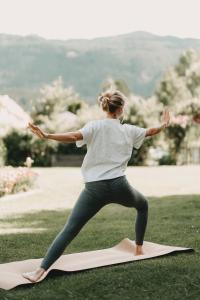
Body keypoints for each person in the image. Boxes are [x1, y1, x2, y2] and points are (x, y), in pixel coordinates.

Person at [22, 90, 170, 282]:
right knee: (143, 205)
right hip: (119, 186)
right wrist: (164, 124)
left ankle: (39, 272)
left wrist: (47, 135)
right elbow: (151, 131)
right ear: (121, 109)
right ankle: (139, 249)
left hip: (94, 189)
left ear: (105, 107)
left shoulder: (95, 126)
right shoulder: (129, 130)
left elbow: (74, 136)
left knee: (71, 228)